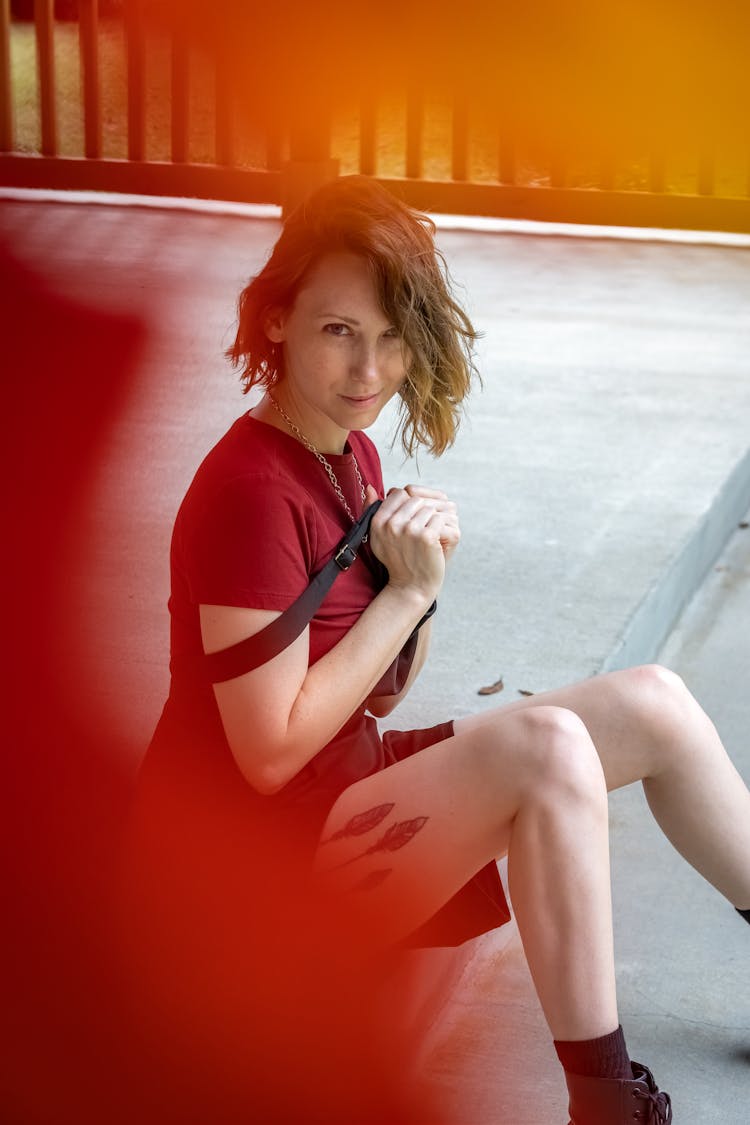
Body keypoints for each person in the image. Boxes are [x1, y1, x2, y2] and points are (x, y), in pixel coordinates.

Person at [136, 175, 750, 1124]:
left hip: (338, 798)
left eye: (389, 338)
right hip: (246, 869)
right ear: (275, 320)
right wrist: (413, 591)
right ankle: (607, 1104)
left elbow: (375, 694)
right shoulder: (249, 493)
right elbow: (264, 756)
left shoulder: (349, 450)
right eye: (339, 330)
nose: (367, 369)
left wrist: (415, 588)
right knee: (549, 752)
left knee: (655, 702)